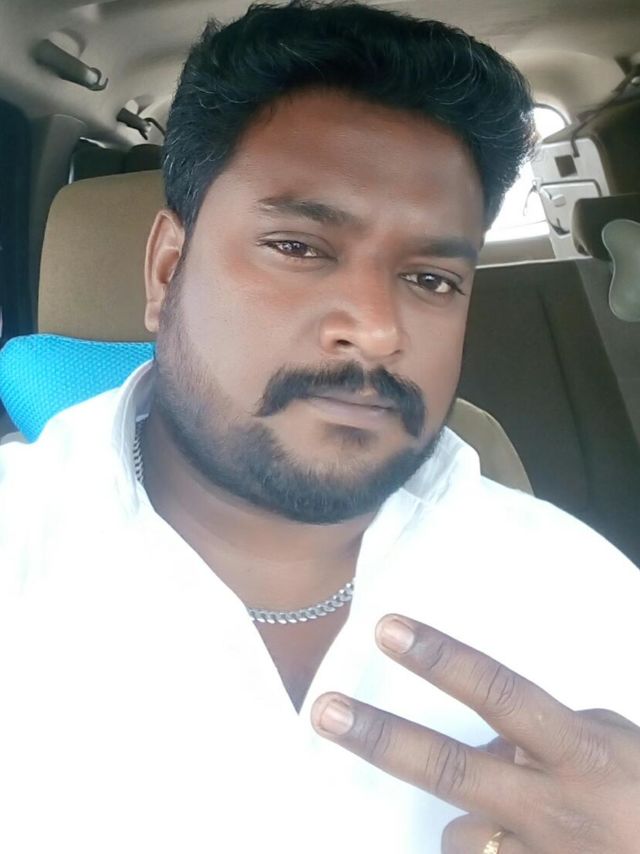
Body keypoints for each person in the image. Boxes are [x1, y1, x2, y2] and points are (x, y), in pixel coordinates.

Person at [1, 3, 638, 852]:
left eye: (432, 279)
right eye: (299, 247)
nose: (376, 330)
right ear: (166, 270)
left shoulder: (584, 594)